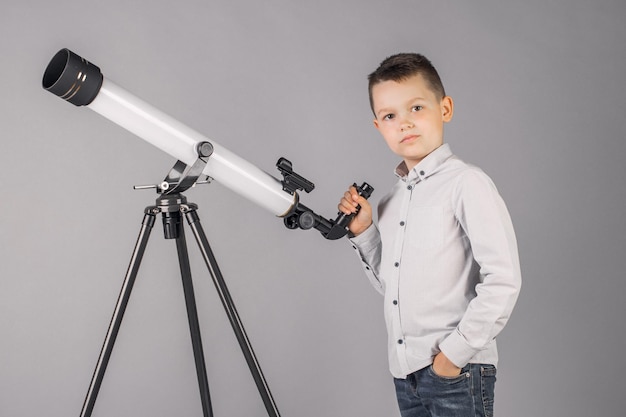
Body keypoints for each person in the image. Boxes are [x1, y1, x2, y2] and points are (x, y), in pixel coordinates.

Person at [338, 53, 521, 417]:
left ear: (445, 108)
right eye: (390, 116)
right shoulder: (391, 201)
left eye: (416, 108)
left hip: (455, 371)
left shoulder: (466, 184)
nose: (404, 123)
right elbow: (392, 285)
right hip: (406, 375)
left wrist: (453, 357)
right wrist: (364, 232)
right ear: (378, 126)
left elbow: (503, 280)